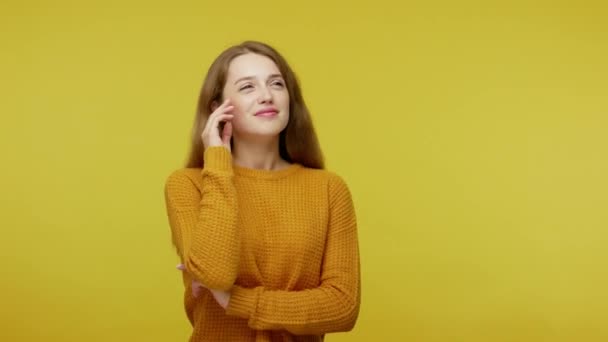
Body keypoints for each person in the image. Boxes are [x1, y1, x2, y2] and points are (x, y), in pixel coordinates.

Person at [164, 40, 360, 341]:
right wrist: (217, 161)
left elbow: (342, 306)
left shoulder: (329, 189)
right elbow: (215, 273)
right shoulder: (189, 185)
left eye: (277, 84)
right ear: (218, 108)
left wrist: (236, 300)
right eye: (247, 87)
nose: (267, 96)